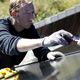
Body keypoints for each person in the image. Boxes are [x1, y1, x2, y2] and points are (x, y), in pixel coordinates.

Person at [0, 0, 73, 69]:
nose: (32, 17)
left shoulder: (28, 27)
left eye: (32, 13)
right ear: (14, 14)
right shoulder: (2, 27)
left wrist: (48, 54)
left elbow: (39, 49)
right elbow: (9, 44)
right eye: (28, 13)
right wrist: (45, 40)